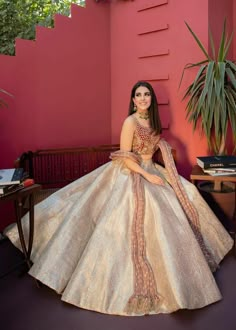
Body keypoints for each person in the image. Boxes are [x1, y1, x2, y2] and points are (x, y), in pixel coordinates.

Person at [5, 81, 233, 316]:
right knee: (146, 206)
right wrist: (147, 175)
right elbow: (125, 157)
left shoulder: (151, 120)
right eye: (138, 95)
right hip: (130, 171)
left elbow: (153, 145)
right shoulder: (130, 122)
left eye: (147, 95)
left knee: (188, 194)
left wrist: (160, 158)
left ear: (151, 99)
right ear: (133, 100)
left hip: (150, 168)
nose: (143, 98)